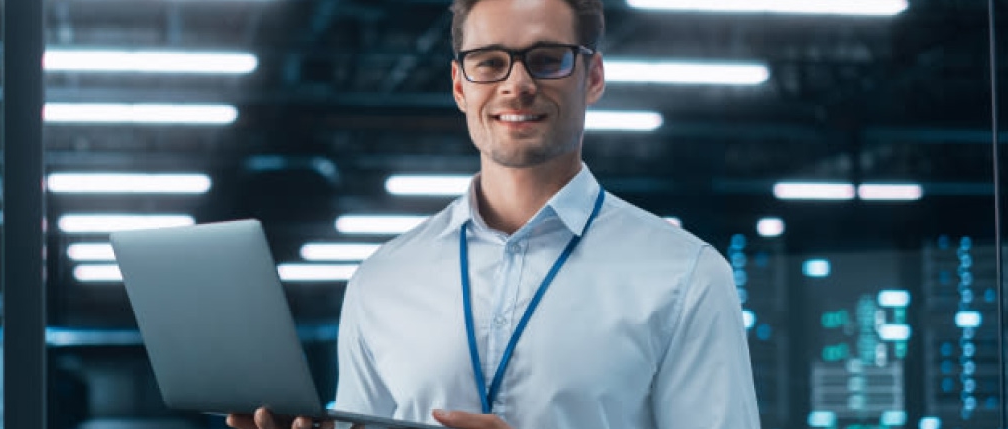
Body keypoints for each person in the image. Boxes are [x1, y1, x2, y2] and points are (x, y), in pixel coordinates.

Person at [228, 0, 760, 428]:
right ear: (460, 85)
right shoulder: (382, 279)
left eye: (547, 59)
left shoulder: (685, 277)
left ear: (593, 77)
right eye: (489, 62)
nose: (517, 84)